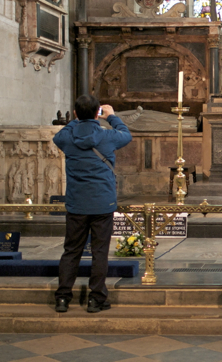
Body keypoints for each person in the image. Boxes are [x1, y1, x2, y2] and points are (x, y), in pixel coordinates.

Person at [54, 95, 132, 313]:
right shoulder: (107, 136)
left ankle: (62, 297)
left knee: (71, 251)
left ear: (76, 113)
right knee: (99, 252)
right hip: (102, 202)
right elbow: (126, 134)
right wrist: (113, 116)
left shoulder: (67, 138)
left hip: (77, 203)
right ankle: (96, 299)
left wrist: (76, 120)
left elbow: (58, 136)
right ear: (98, 112)